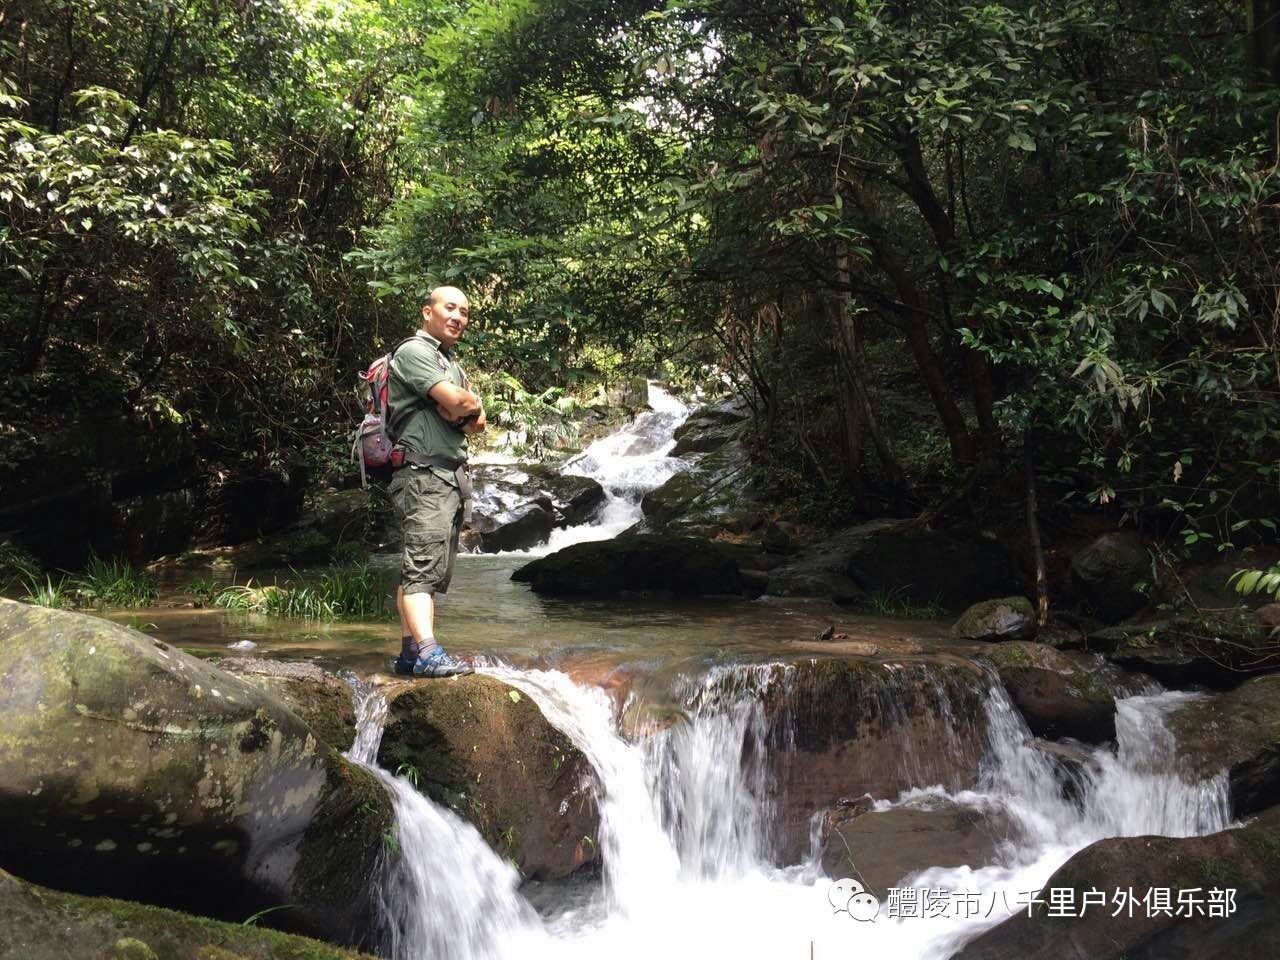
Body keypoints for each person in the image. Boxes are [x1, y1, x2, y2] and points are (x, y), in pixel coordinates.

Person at [386, 286, 486, 677]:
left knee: (422, 569)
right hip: (423, 473)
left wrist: (464, 408)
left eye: (464, 311)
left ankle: (410, 652)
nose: (458, 316)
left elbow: (478, 421)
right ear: (428, 311)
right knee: (421, 570)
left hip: (448, 476)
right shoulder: (415, 352)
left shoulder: (450, 363)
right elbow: (464, 405)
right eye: (450, 308)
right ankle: (428, 653)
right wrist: (462, 406)